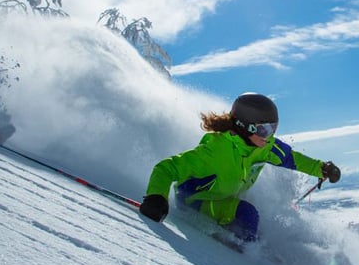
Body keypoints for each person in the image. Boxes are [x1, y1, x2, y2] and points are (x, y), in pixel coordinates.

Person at [140, 92, 341, 242]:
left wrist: (321, 168)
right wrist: (156, 197)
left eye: (273, 128)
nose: (270, 136)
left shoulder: (264, 146)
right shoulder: (214, 152)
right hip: (195, 201)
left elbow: (291, 158)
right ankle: (240, 254)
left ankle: (245, 238)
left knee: (255, 221)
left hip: (226, 196)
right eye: (265, 130)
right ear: (246, 128)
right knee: (247, 214)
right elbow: (165, 169)